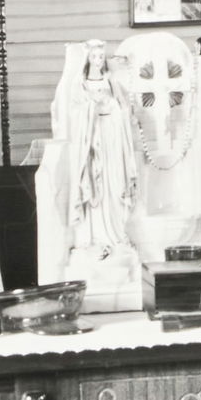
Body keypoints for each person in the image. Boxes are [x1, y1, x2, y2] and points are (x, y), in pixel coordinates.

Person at [61, 39, 138, 260]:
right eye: (94, 57)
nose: (97, 61)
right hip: (90, 141)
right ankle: (94, 237)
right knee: (95, 184)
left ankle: (114, 233)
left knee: (113, 183)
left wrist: (111, 106)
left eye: (101, 57)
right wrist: (90, 108)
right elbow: (74, 113)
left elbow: (123, 107)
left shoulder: (110, 80)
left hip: (111, 137)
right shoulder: (80, 82)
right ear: (87, 59)